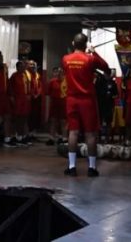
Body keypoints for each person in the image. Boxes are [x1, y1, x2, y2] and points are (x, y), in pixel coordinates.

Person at [62, 33, 109, 177]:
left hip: (72, 100)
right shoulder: (90, 59)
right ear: (86, 44)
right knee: (90, 133)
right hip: (87, 100)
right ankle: (92, 168)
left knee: (73, 132)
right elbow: (105, 67)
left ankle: (72, 167)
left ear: (73, 43)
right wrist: (93, 51)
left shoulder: (65, 59)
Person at [9, 61, 31, 146]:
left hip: (24, 100)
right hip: (17, 100)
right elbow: (10, 88)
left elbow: (28, 87)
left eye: (23, 66)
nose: (23, 68)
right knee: (16, 118)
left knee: (23, 118)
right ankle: (14, 136)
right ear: (17, 67)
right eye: (21, 66)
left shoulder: (25, 76)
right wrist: (12, 98)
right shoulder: (14, 76)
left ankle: (22, 136)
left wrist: (28, 95)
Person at [46, 66, 67, 146]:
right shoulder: (52, 82)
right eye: (58, 71)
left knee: (63, 121)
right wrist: (48, 107)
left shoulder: (67, 81)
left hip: (64, 104)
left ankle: (64, 138)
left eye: (61, 71)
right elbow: (48, 94)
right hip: (54, 104)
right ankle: (51, 138)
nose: (59, 73)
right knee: (53, 121)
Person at [27, 60, 43, 140]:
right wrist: (32, 94)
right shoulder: (26, 74)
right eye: (30, 64)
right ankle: (27, 133)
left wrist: (38, 94)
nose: (32, 66)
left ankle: (33, 133)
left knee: (35, 115)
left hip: (36, 99)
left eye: (33, 64)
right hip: (28, 99)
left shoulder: (37, 75)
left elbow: (40, 86)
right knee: (28, 116)